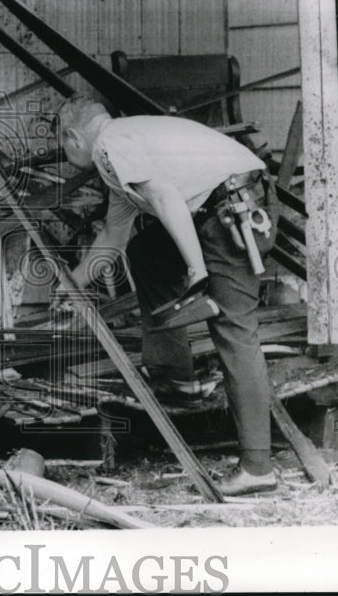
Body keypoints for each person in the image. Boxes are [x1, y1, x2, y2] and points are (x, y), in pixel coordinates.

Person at [55, 94, 279, 496]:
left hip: (233, 211)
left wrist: (196, 270)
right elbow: (114, 237)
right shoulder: (125, 150)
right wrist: (71, 285)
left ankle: (257, 468)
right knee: (147, 253)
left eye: (62, 144)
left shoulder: (111, 144)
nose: (64, 151)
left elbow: (164, 197)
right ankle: (177, 378)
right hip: (232, 200)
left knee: (234, 330)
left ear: (73, 136)